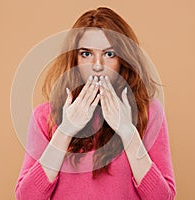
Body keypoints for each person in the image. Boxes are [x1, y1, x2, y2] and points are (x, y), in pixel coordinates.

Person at [15, 7, 176, 200]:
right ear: (74, 58)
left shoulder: (149, 112)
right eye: (86, 54)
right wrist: (65, 131)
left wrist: (128, 132)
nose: (97, 65)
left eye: (109, 54)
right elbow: (27, 197)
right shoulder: (44, 116)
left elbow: (162, 197)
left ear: (123, 59)